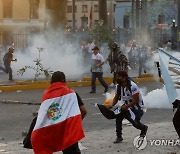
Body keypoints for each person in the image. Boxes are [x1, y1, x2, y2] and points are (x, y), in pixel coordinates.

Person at [31, 71, 87, 154]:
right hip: (69, 130)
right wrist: (75, 122)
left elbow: (44, 115)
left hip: (53, 131)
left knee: (48, 149)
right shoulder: (72, 94)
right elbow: (84, 111)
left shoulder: (46, 95)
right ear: (64, 81)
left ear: (51, 82)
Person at [108, 71, 148, 143]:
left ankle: (144, 128)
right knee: (118, 116)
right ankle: (119, 136)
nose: (117, 78)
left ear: (124, 78)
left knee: (135, 123)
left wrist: (126, 107)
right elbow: (116, 97)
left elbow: (136, 100)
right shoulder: (118, 86)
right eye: (117, 77)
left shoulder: (132, 86)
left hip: (137, 108)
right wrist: (111, 105)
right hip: (126, 107)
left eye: (119, 77)